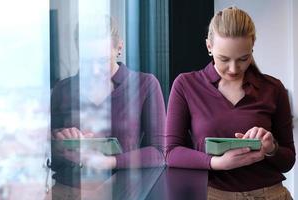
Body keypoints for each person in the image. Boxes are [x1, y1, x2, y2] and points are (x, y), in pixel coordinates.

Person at [165, 6, 295, 199]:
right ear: (209, 46)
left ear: (252, 47)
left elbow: (288, 160)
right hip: (213, 194)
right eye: (224, 59)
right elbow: (171, 153)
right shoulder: (186, 85)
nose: (234, 69)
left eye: (243, 58)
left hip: (271, 194)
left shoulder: (273, 88)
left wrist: (271, 148)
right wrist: (216, 163)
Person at [50, 16, 166, 199]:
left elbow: (160, 153)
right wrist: (60, 144)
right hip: (66, 192)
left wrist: (108, 162)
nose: (95, 70)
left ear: (119, 47)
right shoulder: (62, 89)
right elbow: (49, 158)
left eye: (103, 60)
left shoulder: (145, 85)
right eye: (87, 61)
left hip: (122, 191)